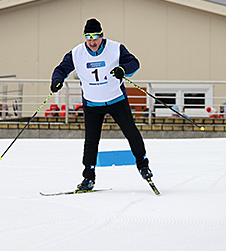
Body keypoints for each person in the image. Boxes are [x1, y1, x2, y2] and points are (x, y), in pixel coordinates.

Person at [50, 18, 153, 191]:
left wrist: (123, 69)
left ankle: (143, 166)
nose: (92, 41)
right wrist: (57, 80)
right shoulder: (76, 53)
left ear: (101, 36)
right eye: (88, 37)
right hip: (92, 104)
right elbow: (61, 69)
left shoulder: (115, 48)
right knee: (91, 141)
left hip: (116, 100)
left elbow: (134, 63)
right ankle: (88, 177)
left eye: (95, 37)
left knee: (131, 132)